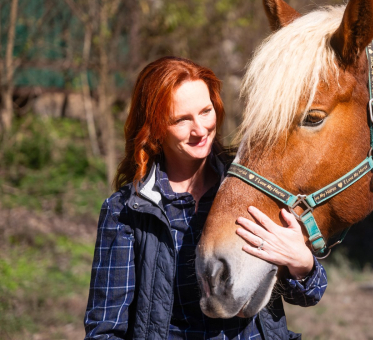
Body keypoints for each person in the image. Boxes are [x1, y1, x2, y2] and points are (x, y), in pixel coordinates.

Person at [83, 56, 327, 339]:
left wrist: (302, 264)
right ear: (156, 127)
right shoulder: (126, 211)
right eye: (181, 119)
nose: (200, 130)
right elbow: (105, 330)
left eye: (205, 111)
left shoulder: (252, 185)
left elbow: (311, 294)